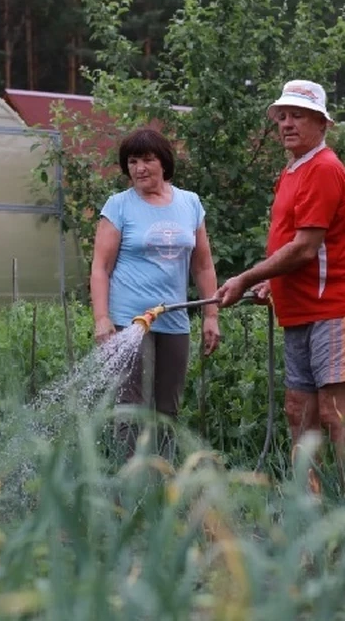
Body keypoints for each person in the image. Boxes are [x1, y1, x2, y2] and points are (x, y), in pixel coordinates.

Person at [216, 80, 345, 497]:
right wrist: (271, 279)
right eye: (282, 116)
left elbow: (305, 248)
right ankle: (310, 508)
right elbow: (291, 242)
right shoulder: (291, 171)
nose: (286, 123)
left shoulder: (323, 169)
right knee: (299, 411)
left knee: (334, 413)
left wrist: (247, 276)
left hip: (334, 306)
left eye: (297, 115)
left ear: (322, 122)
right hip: (299, 309)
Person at [90, 127, 220, 461]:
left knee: (167, 408)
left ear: (164, 162)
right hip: (130, 320)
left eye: (147, 159)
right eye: (132, 161)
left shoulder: (190, 203)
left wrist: (211, 314)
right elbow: (100, 267)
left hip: (174, 320)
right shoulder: (118, 206)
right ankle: (130, 485)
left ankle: (162, 483)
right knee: (132, 405)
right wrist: (102, 319)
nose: (139, 168)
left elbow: (203, 266)